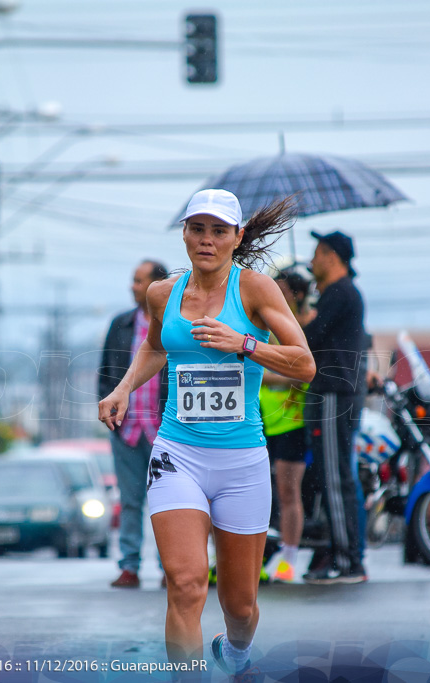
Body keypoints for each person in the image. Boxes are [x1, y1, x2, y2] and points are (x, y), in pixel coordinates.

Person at [98, 189, 314, 677]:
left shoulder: (256, 289)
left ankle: (236, 649)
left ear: (237, 237)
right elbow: (156, 346)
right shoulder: (163, 293)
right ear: (185, 234)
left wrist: (244, 343)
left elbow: (304, 365)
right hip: (177, 454)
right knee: (188, 583)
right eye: (197, 229)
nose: (207, 240)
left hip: (242, 462)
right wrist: (125, 387)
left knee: (239, 606)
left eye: (219, 231)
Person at [298, 230, 368, 585]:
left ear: (331, 256)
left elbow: (308, 339)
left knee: (334, 477)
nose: (311, 261)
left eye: (316, 253)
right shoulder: (340, 293)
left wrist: (294, 312)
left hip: (333, 393)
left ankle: (348, 560)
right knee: (336, 475)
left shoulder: (339, 293)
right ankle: (341, 556)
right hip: (337, 393)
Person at [98, 260, 170, 589]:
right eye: (133, 280)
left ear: (158, 285)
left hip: (164, 430)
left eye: (140, 281)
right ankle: (129, 566)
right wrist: (108, 405)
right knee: (130, 500)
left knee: (168, 502)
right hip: (126, 429)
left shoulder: (173, 322)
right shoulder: (121, 324)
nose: (134, 286)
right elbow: (106, 371)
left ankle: (170, 567)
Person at [259, 267, 311, 583]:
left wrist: (267, 373)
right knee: (259, 494)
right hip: (261, 420)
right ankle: (262, 554)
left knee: (289, 491)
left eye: (283, 291)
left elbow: (301, 371)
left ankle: (289, 560)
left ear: (297, 294)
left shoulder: (301, 329)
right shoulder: (265, 323)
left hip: (292, 421)